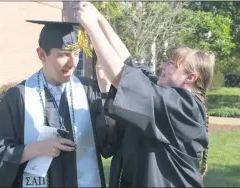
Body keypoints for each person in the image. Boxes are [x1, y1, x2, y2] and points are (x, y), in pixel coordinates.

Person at [75, 2, 213, 187]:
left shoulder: (186, 107)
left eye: (171, 64)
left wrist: (92, 28)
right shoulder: (163, 93)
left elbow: (121, 77)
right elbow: (129, 63)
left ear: (190, 77)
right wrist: (100, 19)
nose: (162, 66)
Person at [0, 20, 113, 188]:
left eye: (77, 53)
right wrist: (35, 149)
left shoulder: (89, 90)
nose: (73, 63)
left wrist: (105, 92)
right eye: (63, 54)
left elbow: (109, 144)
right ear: (41, 55)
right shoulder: (17, 97)